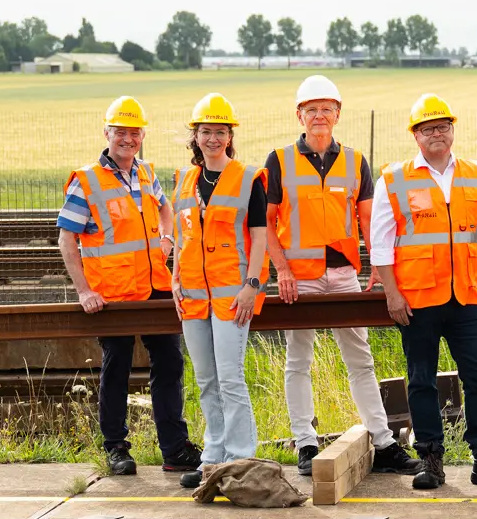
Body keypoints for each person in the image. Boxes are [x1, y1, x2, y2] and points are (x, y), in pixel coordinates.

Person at [370, 94, 477, 491]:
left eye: (442, 126)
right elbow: (380, 242)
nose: (436, 134)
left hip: (465, 297)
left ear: (452, 130)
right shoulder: (394, 179)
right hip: (417, 300)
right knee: (421, 380)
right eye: (428, 128)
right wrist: (392, 294)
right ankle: (431, 461)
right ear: (415, 135)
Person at [264, 74, 420, 478]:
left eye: (326, 109)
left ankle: (383, 443)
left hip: (345, 275)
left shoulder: (355, 161)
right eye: (311, 110)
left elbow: (370, 222)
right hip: (300, 279)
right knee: (298, 361)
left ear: (337, 115)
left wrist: (376, 268)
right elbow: (265, 224)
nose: (319, 116)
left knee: (360, 360)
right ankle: (305, 443)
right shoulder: (278, 161)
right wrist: (281, 270)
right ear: (299, 115)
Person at [55, 96, 200, 479]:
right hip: (111, 293)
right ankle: (117, 448)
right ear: (107, 133)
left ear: (141, 136)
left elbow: (165, 209)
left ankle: (174, 449)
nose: (128, 139)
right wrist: (84, 291)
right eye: (121, 132)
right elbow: (66, 239)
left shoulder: (147, 173)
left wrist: (167, 240)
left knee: (169, 364)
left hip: (155, 286)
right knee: (116, 368)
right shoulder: (86, 181)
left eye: (134, 133)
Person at [171, 93, 268, 490]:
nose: (213, 138)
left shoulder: (248, 179)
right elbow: (182, 236)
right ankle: (212, 458)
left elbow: (261, 238)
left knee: (230, 378)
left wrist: (253, 284)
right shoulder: (184, 180)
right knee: (206, 380)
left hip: (233, 295)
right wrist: (175, 278)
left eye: (220, 132)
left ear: (230, 136)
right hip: (193, 295)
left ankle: (240, 458)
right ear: (195, 137)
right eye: (205, 132)